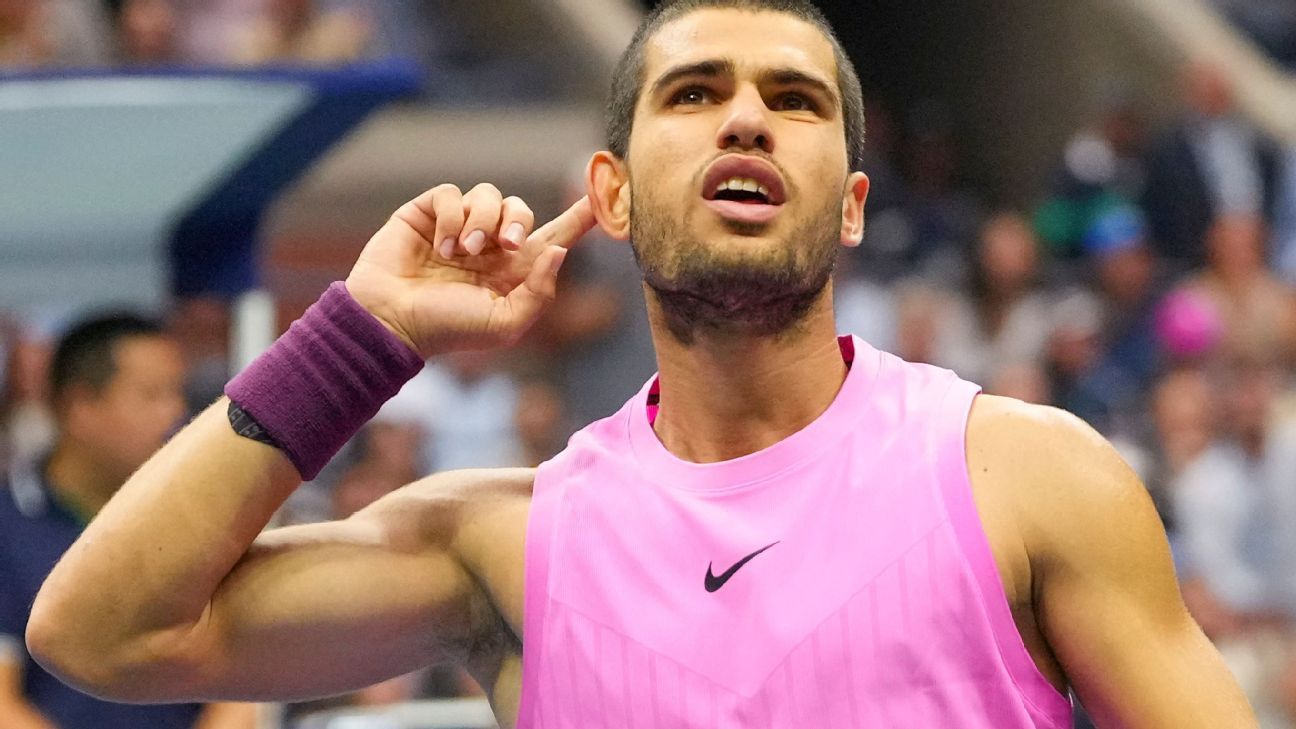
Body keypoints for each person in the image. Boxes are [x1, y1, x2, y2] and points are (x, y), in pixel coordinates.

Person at [26, 2, 1255, 728]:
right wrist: (364, 334)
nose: (745, 117)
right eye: (695, 93)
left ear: (852, 207)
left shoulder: (1030, 477)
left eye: (794, 100)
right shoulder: (506, 540)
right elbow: (102, 635)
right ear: (609, 195)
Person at [0, 314, 257, 729]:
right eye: (152, 395)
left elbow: (242, 682)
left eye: (177, 392)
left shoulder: (204, 522)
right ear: (81, 406)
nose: (176, 413)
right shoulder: (7, 527)